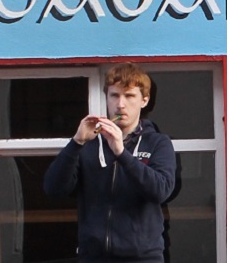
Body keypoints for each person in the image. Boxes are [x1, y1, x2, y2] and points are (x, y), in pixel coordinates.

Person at [44, 63, 176, 263]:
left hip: (143, 258)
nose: (120, 104)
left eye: (129, 96)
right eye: (114, 95)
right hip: (93, 256)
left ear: (144, 100)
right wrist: (76, 143)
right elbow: (53, 189)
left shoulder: (158, 143)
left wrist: (121, 153)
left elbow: (161, 190)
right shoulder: (89, 143)